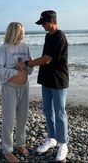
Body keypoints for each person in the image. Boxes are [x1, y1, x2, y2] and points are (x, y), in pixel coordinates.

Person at [24, 10, 69, 162]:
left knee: (60, 112)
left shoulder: (59, 36)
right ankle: (51, 138)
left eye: (43, 23)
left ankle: (63, 143)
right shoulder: (48, 35)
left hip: (59, 80)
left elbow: (47, 59)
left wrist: (27, 63)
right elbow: (45, 58)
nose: (42, 25)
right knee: (47, 109)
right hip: (47, 79)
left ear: (51, 21)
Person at [0, 22, 33, 163]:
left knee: (23, 117)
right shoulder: (5, 48)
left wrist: (26, 67)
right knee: (9, 119)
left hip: (24, 87)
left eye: (23, 32)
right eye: (19, 32)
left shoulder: (25, 47)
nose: (22, 34)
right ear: (13, 33)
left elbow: (31, 67)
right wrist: (15, 71)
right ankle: (7, 150)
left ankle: (20, 144)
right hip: (10, 87)